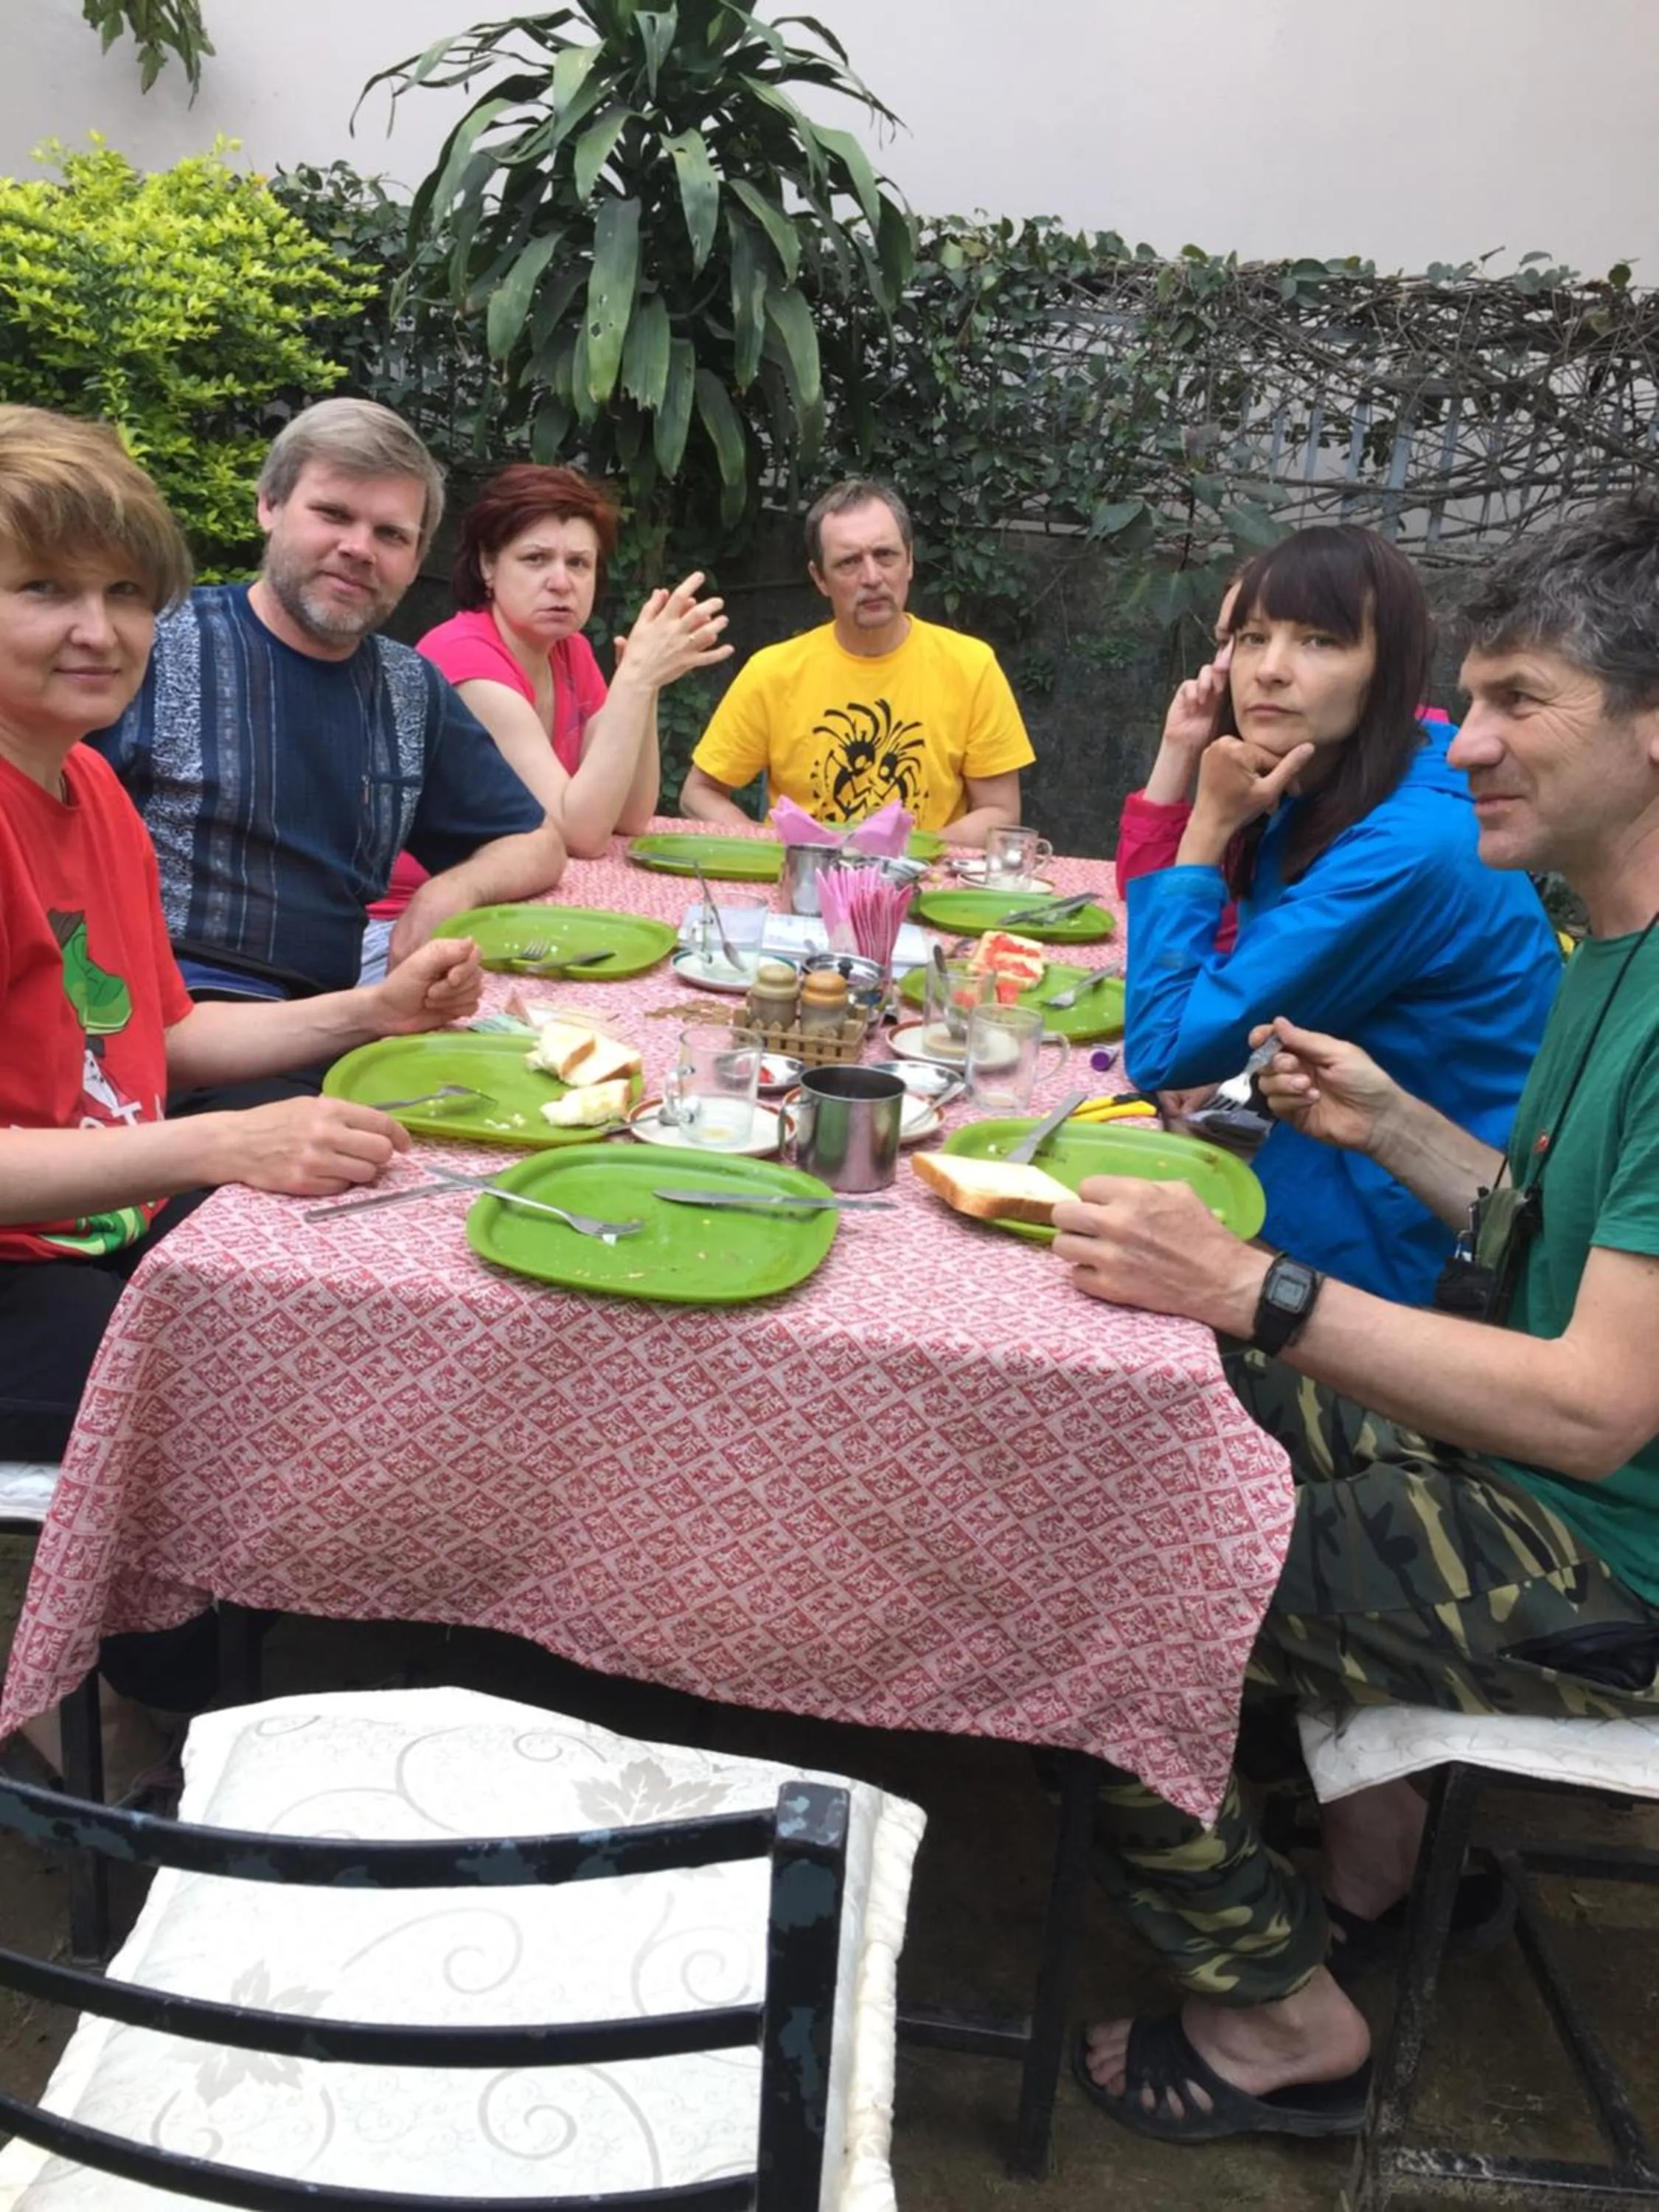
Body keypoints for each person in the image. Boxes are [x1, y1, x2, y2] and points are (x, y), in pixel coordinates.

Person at [1054, 493, 1659, 2147]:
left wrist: (1252, 1284)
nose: (1464, 747)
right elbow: (1548, 1245)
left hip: (1611, 1560)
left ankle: (1281, 2018)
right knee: (1147, 1429)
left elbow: (1600, 1406)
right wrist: (1394, 1121)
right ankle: (1384, 1861)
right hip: (1541, 1477)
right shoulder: (1610, 942)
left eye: (1519, 702)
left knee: (1100, 1596)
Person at [0, 406, 483, 1754]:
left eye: (121, 595)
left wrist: (371, 1008)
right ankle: (97, 1711)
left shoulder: (88, 789)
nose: (95, 629)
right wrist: (218, 1152)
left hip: (80, 1218)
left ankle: (232, 1628)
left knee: (354, 1274)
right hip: (20, 1256)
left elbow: (163, 1038)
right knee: (207, 1381)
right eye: (41, 589)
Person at [1121, 524, 1560, 1303]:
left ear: (1384, 674)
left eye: (1319, 641)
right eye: (1253, 639)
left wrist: (1208, 825)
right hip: (1319, 1167)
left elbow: (1163, 1050)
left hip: (1401, 1255)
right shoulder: (1342, 779)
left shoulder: (1410, 845)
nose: (1271, 671)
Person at [88, 398, 566, 1018]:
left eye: (391, 534)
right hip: (169, 1021)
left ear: (416, 560)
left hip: (338, 1016)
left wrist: (453, 888)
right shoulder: (152, 649)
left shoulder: (408, 687)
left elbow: (535, 842)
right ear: (270, 506)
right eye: (333, 514)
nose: (359, 548)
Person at [359, 465, 732, 969]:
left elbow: (630, 816)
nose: (561, 582)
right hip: (400, 925)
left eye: (579, 563)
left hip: (506, 906)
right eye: (536, 559)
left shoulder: (569, 650)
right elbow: (581, 833)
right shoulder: (465, 660)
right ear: (489, 566)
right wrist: (635, 681)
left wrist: (645, 687)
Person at [681, 477, 1034, 846]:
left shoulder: (971, 666)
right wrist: (769, 849)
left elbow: (1000, 812)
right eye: (849, 562)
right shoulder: (773, 672)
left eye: (885, 555)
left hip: (924, 886)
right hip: (804, 888)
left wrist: (913, 856)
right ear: (820, 578)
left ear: (910, 561)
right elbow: (699, 792)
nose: (872, 577)